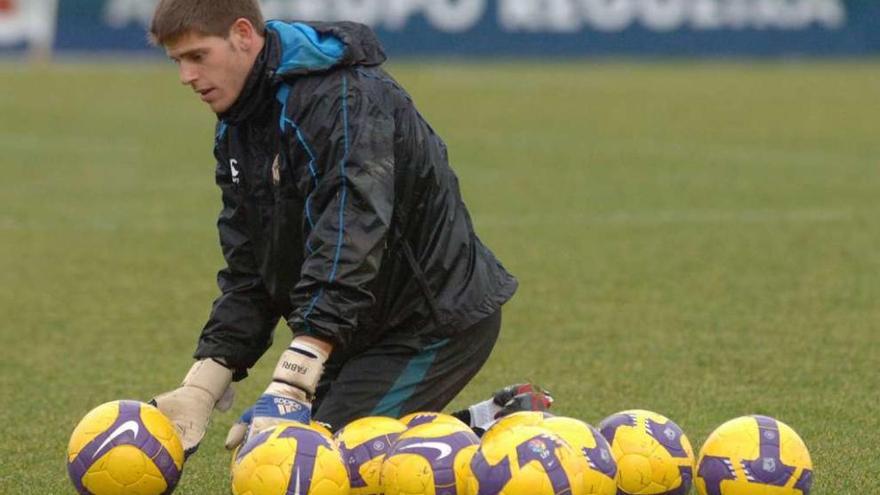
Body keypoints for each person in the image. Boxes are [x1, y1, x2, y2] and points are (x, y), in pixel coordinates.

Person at [146, 0, 549, 458]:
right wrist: (205, 381)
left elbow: (352, 233)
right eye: (177, 61)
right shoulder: (238, 126)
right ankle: (487, 422)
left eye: (198, 56)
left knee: (312, 464)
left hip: (429, 323)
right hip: (356, 327)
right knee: (271, 459)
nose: (187, 76)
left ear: (242, 34)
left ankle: (505, 438)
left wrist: (298, 370)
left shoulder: (344, 100)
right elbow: (251, 270)